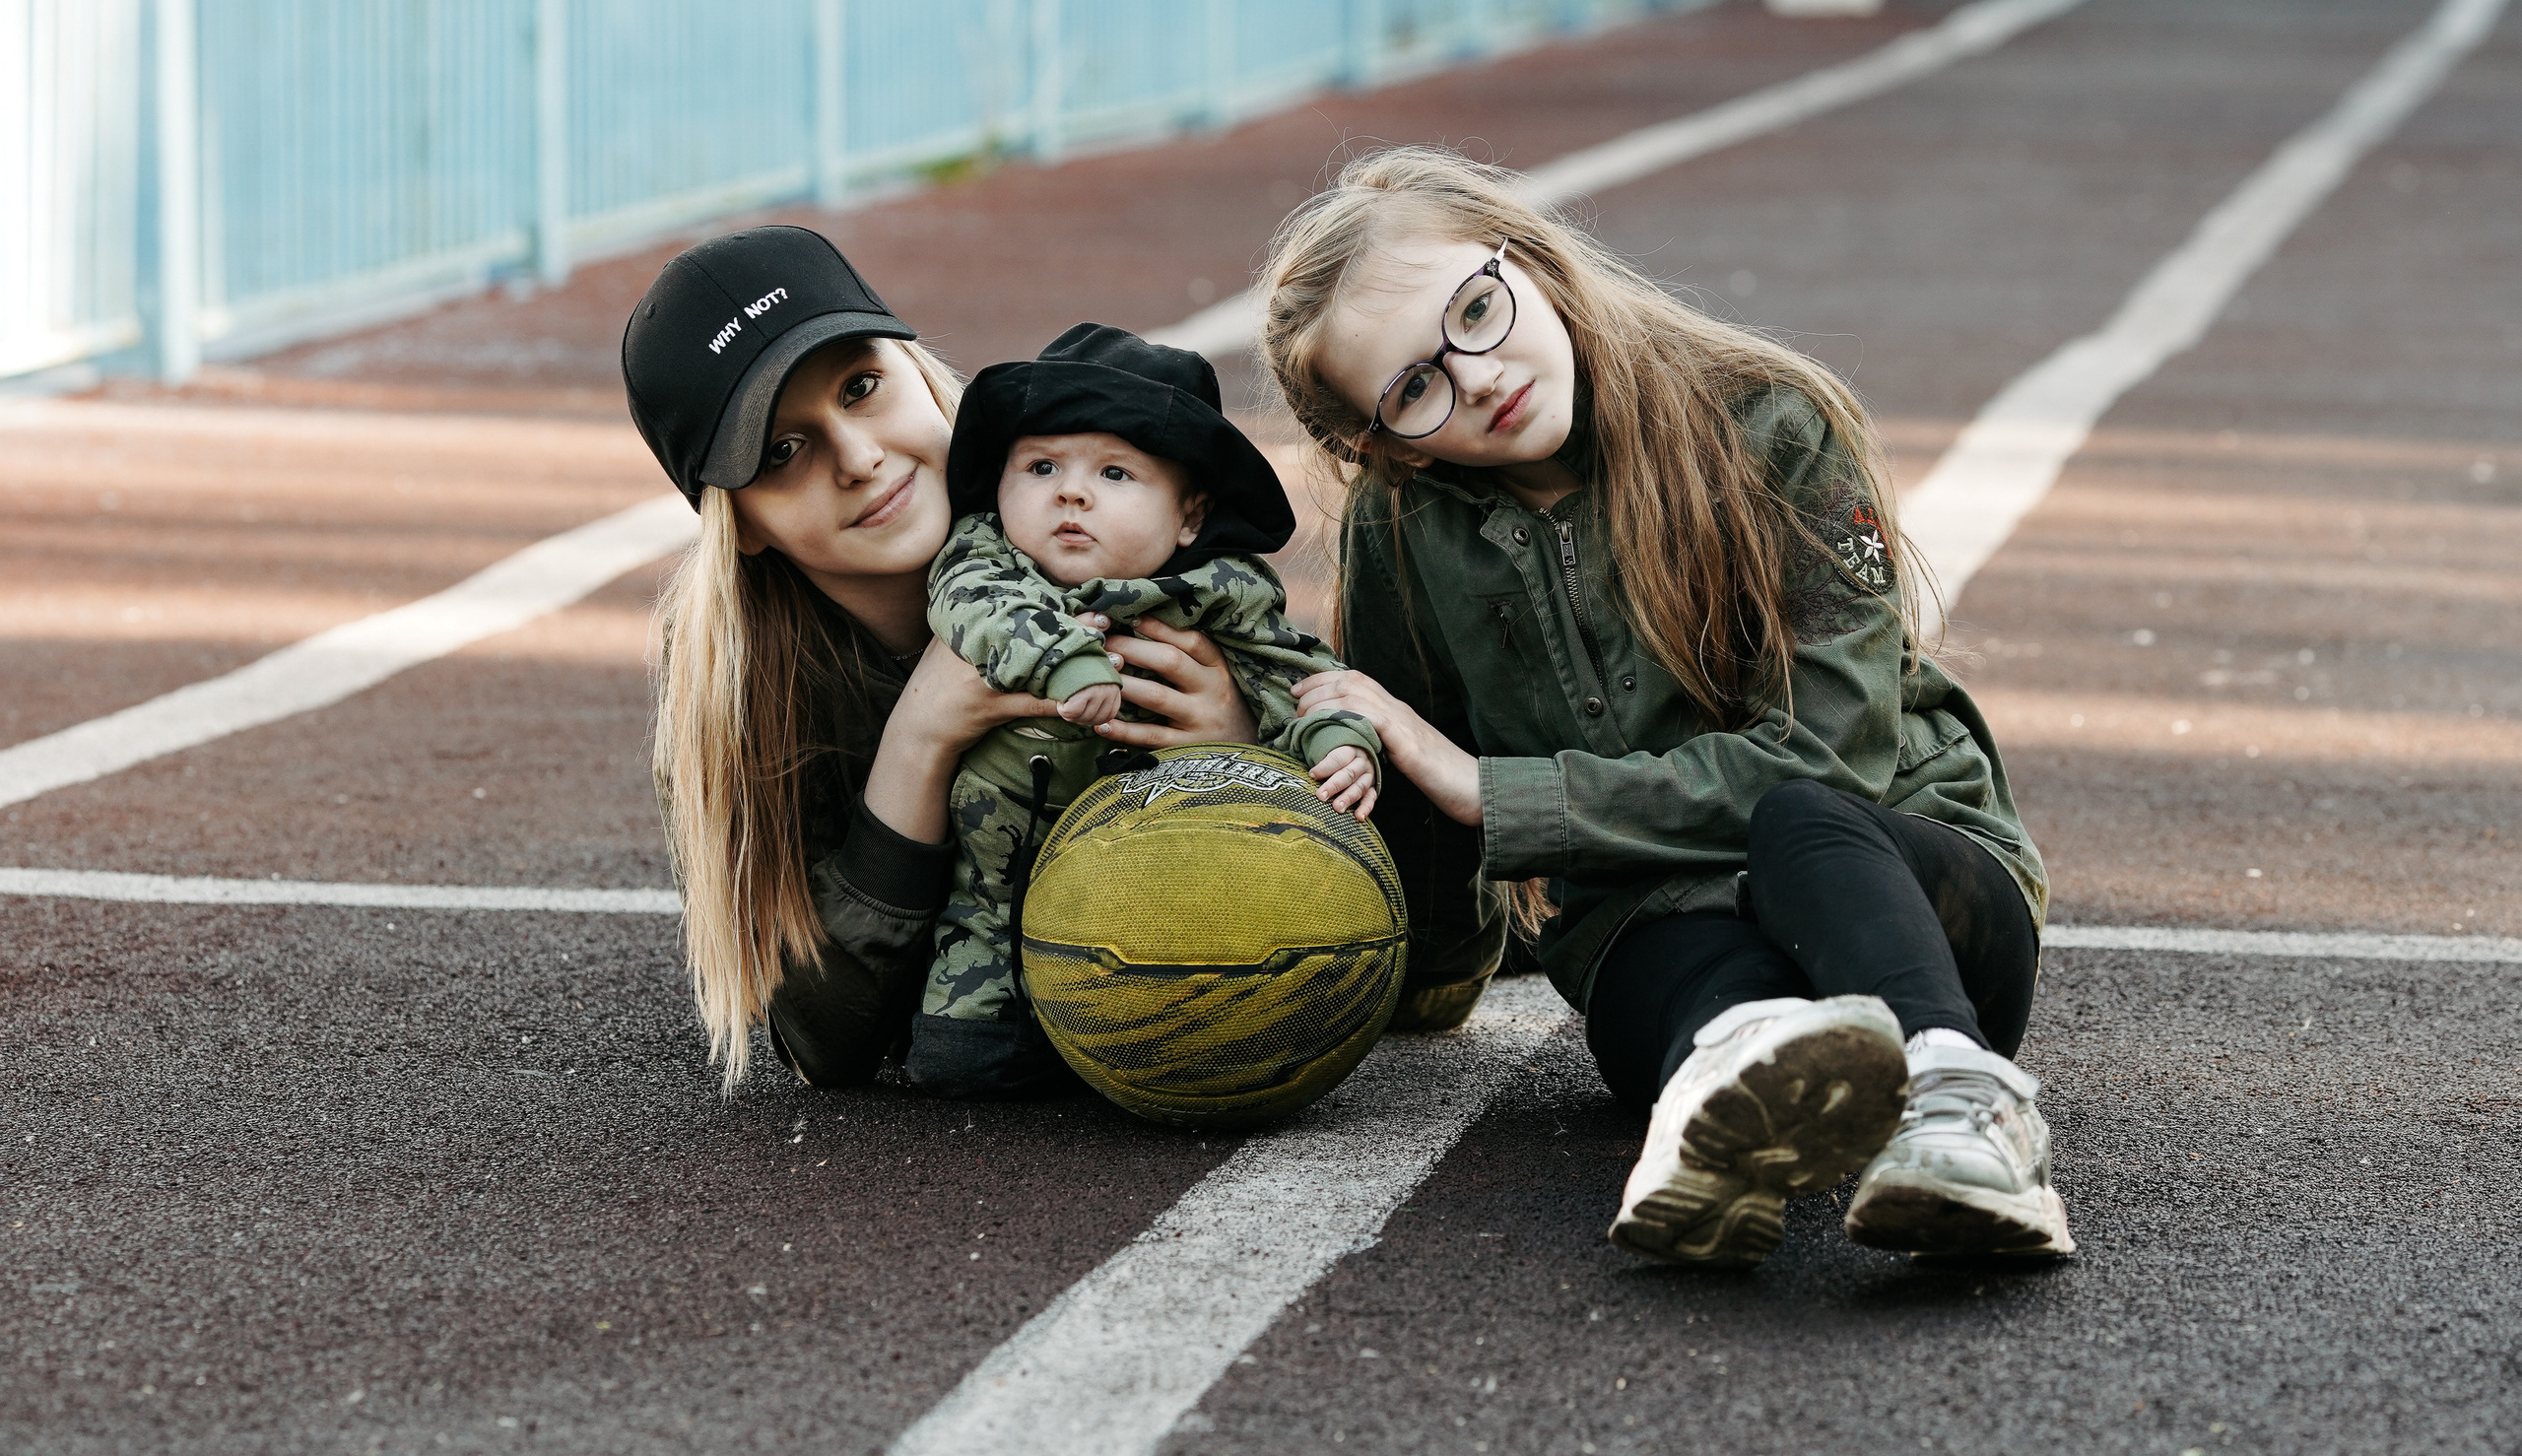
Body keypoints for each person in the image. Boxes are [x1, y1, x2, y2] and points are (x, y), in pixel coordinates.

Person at [1259, 147, 2073, 1265]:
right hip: (1662, 917)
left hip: (1907, 899)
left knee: (1795, 823)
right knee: (1641, 960)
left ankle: (1964, 1103)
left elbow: (1827, 762)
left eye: (1477, 311)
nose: (1477, 375)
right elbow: (1423, 817)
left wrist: (1491, 792)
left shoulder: (1766, 424)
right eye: (1412, 388)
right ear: (1380, 448)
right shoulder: (1403, 531)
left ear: (1530, 260)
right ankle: (1726, 1088)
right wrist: (1379, 973)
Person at [619, 225, 1263, 1092]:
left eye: (862, 386)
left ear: (919, 372)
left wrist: (1245, 751)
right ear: (742, 523)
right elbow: (824, 1042)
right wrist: (917, 741)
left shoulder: (1094, 524)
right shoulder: (734, 679)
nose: (859, 457)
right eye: (782, 451)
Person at [905, 322, 1382, 1096]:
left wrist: (1337, 737)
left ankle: (1165, 1022)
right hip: (1000, 850)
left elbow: (1297, 669)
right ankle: (981, 1034)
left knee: (1165, 958)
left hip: (1156, 854)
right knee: (965, 1038)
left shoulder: (1222, 591)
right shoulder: (987, 557)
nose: (1070, 490)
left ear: (1189, 515)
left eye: (1116, 473)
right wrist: (1065, 659)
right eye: (1041, 465)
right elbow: (976, 608)